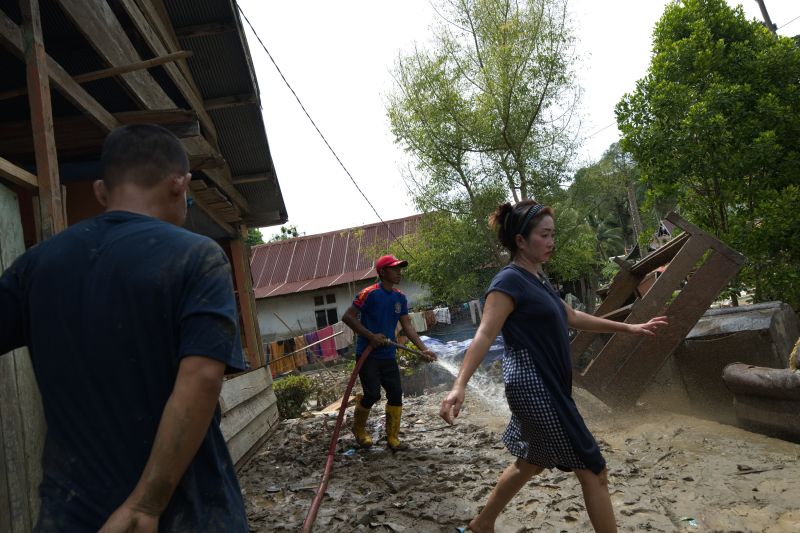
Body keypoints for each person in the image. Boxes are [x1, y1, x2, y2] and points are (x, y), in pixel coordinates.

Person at [0, 124, 249, 532]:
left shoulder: (36, 265)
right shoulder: (197, 257)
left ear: (101, 191)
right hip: (186, 511)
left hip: (70, 512)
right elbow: (203, 377)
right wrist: (146, 503)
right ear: (179, 185)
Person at [440, 200, 668, 533]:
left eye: (552, 235)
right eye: (544, 235)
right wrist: (459, 384)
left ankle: (482, 523)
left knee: (531, 461)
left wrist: (628, 327)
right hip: (536, 387)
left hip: (548, 385)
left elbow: (572, 316)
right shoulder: (508, 281)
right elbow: (485, 334)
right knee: (594, 470)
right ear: (521, 240)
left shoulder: (537, 278)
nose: (551, 242)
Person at [342, 254, 436, 450]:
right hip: (367, 355)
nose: (398, 272)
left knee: (395, 394)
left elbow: (407, 327)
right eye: (394, 269)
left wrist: (424, 349)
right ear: (383, 272)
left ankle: (392, 437)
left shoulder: (399, 297)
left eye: (399, 268)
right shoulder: (369, 293)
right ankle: (359, 430)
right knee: (372, 394)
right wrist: (371, 336)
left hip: (388, 355)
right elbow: (348, 317)